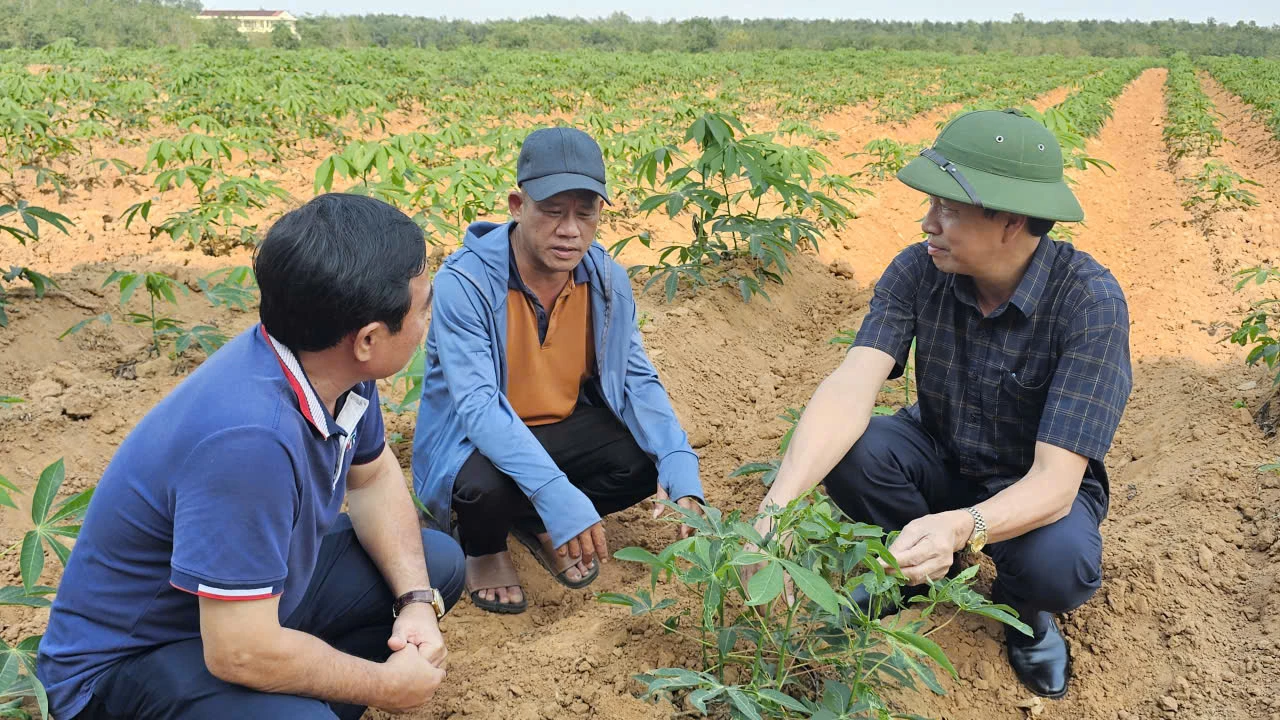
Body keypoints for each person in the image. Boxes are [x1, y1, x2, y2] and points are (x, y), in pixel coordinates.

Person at [745, 109, 1132, 699]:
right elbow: (852, 383)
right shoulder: (918, 270)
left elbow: (1056, 481)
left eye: (948, 209)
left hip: (1029, 487)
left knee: (1061, 564)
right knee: (852, 451)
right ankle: (920, 570)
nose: (928, 222)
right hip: (939, 454)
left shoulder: (1088, 302)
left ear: (1011, 220)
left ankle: (1025, 616)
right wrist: (776, 509)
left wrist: (962, 525)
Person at [37, 194, 465, 720]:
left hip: (241, 614)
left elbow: (373, 479)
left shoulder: (334, 368)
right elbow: (239, 650)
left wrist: (415, 603)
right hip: (124, 669)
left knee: (435, 565)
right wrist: (384, 685)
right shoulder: (250, 440)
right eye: (422, 306)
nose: (428, 317)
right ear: (368, 339)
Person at [412, 126, 703, 614]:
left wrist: (678, 462)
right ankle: (485, 547)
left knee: (641, 461)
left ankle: (529, 517)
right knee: (483, 489)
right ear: (516, 205)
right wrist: (556, 491)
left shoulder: (606, 279)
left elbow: (635, 379)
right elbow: (479, 408)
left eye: (585, 214)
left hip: (561, 428)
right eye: (552, 212)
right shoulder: (465, 282)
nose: (570, 230)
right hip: (478, 441)